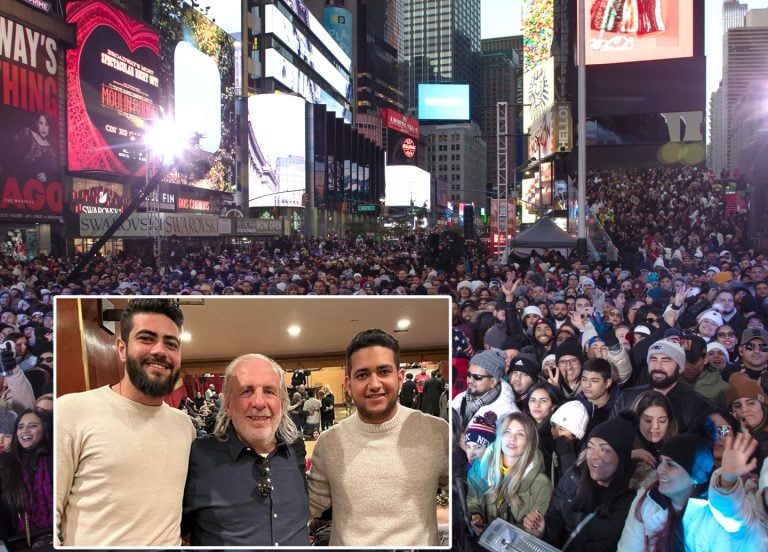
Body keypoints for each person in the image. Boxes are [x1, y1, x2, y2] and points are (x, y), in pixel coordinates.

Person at [56, 299, 196, 546]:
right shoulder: (71, 411)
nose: (160, 351)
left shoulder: (185, 426)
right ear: (122, 348)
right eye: (146, 338)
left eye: (171, 343)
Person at [308, 329, 449, 546]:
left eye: (383, 371)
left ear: (400, 377)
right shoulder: (329, 443)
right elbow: (305, 509)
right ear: (348, 384)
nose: (374, 384)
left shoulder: (436, 432)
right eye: (362, 375)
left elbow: (466, 498)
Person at [182, 354, 309, 546]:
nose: (259, 403)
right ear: (228, 404)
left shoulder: (296, 450)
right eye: (247, 391)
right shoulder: (200, 456)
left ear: (282, 404)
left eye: (269, 391)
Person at [617, 433, 768, 550]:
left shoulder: (713, 514)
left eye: (670, 465)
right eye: (661, 461)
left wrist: (727, 478)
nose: (660, 469)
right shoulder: (647, 499)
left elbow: (731, 511)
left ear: (695, 476)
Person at [523, 413, 637, 550]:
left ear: (622, 456)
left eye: (604, 450)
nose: (594, 455)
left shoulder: (632, 502)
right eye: (590, 447)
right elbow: (556, 518)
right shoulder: (573, 478)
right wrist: (544, 530)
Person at [467, 412, 552, 533]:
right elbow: (473, 501)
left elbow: (534, 531)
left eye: (520, 434)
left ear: (529, 442)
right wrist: (476, 515)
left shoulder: (541, 484)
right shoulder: (478, 470)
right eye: (507, 432)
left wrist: (537, 530)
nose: (512, 439)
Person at [0, 407, 52, 545]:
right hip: (23, 541)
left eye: (33, 426)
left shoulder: (55, 458)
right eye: (20, 427)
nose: (25, 431)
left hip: (62, 536)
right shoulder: (6, 465)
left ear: (45, 429)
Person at [452, 349, 518, 428]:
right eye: (469, 374)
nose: (470, 380)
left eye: (477, 377)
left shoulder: (508, 412)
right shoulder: (459, 399)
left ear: (493, 382)